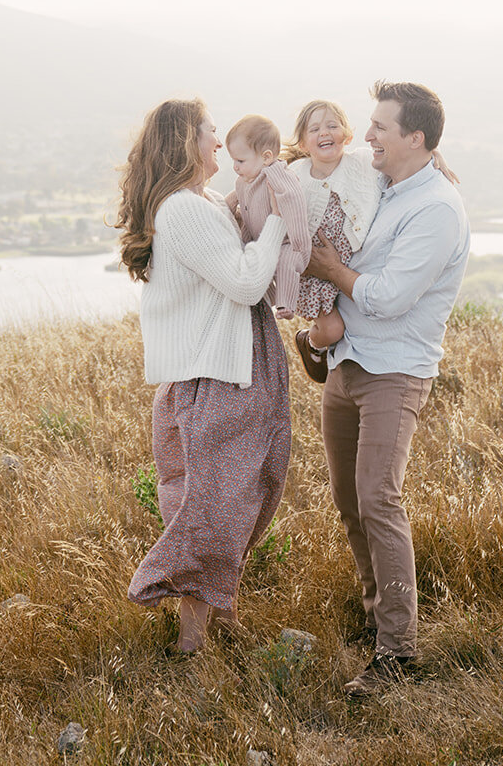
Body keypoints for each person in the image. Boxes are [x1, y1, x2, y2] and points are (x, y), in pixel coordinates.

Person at [302, 81, 470, 698]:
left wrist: (330, 270)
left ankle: (397, 653)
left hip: (393, 372)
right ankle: (378, 615)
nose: (365, 135)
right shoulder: (384, 183)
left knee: (378, 498)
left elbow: (391, 297)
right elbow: (320, 168)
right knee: (349, 500)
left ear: (414, 138)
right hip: (346, 363)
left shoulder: (436, 209)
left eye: (379, 127)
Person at [118, 98, 291, 654]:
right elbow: (245, 283)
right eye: (211, 132)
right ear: (185, 142)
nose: (219, 142)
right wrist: (278, 223)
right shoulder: (183, 210)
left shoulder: (204, 202)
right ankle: (192, 643)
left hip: (226, 370)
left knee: (232, 499)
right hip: (215, 376)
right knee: (213, 505)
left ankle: (223, 615)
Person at [281, 100, 381, 378]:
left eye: (332, 126)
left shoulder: (363, 162)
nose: (324, 132)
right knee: (333, 329)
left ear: (347, 135)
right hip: (314, 271)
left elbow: (400, 158)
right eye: (314, 129)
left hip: (353, 265)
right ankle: (311, 343)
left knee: (360, 319)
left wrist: (434, 155)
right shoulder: (294, 174)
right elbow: (263, 196)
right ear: (303, 143)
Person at [224, 114, 311, 316]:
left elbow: (293, 199)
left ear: (266, 157)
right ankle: (265, 300)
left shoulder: (277, 173)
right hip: (259, 238)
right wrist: (222, 209)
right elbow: (234, 198)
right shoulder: (244, 179)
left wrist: (299, 240)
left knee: (286, 263)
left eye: (240, 160)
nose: (235, 166)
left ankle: (286, 304)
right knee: (252, 263)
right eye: (233, 160)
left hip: (287, 241)